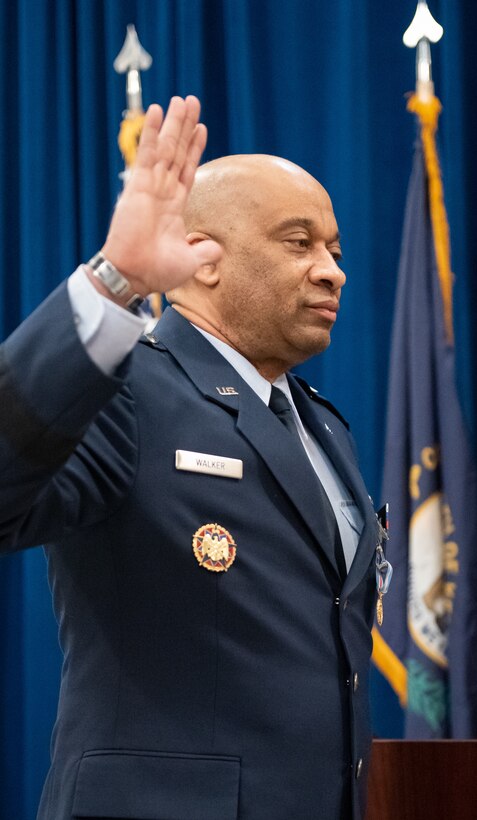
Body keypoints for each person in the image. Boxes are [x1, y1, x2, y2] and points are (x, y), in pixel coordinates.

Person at [0, 96, 380, 820]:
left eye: (334, 250)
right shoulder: (120, 389)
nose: (330, 271)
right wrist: (113, 282)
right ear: (202, 260)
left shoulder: (326, 429)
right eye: (297, 243)